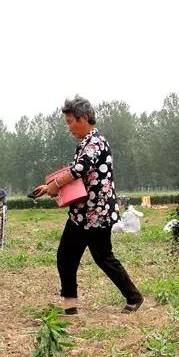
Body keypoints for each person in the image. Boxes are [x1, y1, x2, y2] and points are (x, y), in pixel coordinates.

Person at [32, 97, 143, 315]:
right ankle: (70, 305)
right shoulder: (85, 143)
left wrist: (55, 184)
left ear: (83, 118)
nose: (69, 127)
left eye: (70, 122)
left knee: (103, 257)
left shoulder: (95, 142)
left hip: (96, 212)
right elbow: (76, 175)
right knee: (66, 256)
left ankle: (134, 296)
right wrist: (48, 187)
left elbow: (79, 169)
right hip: (81, 212)